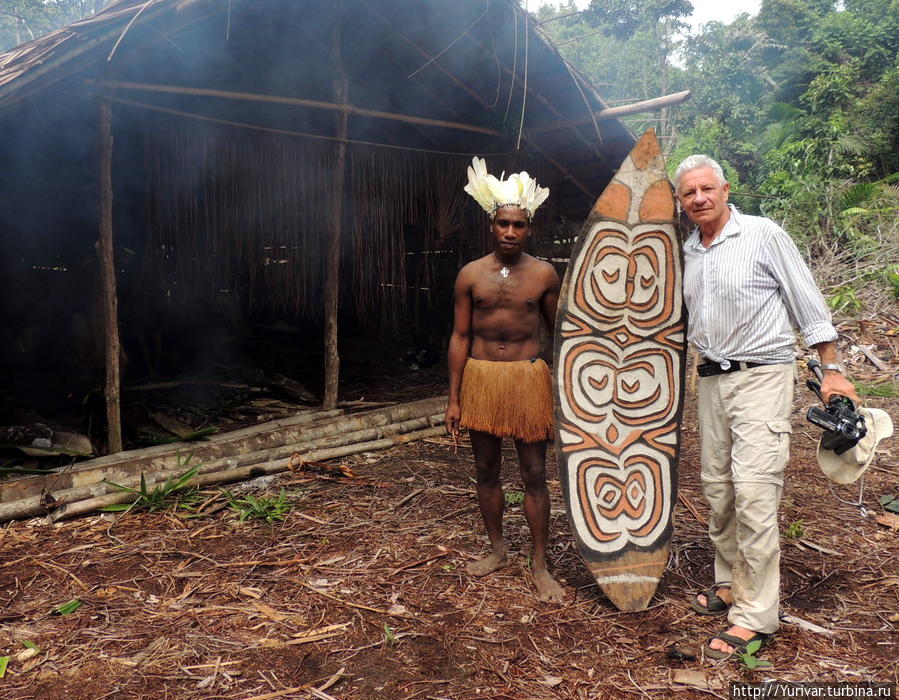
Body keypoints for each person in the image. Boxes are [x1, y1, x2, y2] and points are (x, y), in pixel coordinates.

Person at [673, 154, 859, 659]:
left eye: (707, 188)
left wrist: (831, 367)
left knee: (754, 492)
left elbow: (806, 298)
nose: (699, 199)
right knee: (718, 490)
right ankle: (731, 582)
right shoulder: (690, 248)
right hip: (710, 381)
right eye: (689, 193)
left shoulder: (761, 234)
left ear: (726, 188)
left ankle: (755, 616)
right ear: (682, 201)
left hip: (762, 375)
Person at [445, 157, 565, 602]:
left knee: (534, 474)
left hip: (526, 377)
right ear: (491, 226)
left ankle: (539, 563)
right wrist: (454, 398)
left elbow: (562, 335)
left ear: (528, 228)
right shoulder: (470, 275)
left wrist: (566, 389)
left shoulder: (544, 274)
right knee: (485, 468)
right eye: (503, 224)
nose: (510, 232)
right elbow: (460, 336)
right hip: (481, 378)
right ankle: (497, 550)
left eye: (518, 224)